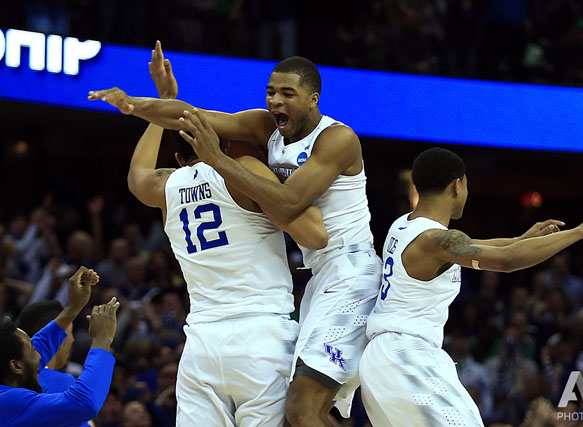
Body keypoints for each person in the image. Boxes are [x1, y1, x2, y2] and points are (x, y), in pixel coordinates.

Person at [90, 43, 382, 426]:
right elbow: (192, 116)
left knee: (305, 407)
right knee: (307, 410)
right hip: (285, 305)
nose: (275, 100)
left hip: (345, 270)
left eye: (286, 94)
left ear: (313, 99)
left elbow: (300, 210)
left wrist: (149, 111)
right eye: (270, 92)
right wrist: (137, 103)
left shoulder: (337, 138)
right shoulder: (260, 138)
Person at [358, 147, 583, 426]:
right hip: (406, 357)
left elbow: (479, 246)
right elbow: (507, 261)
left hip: (382, 359)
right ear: (457, 185)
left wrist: (521, 238)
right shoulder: (434, 240)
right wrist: (580, 231)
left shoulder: (404, 226)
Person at [0, 266, 120, 427]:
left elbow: (39, 346)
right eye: (32, 349)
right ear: (15, 366)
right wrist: (102, 340)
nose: (40, 355)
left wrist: (73, 307)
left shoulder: (8, 388)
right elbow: (85, 404)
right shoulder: (9, 402)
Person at [16, 300, 92, 427]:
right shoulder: (63, 383)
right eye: (70, 333)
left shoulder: (10, 377)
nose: (72, 340)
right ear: (58, 338)